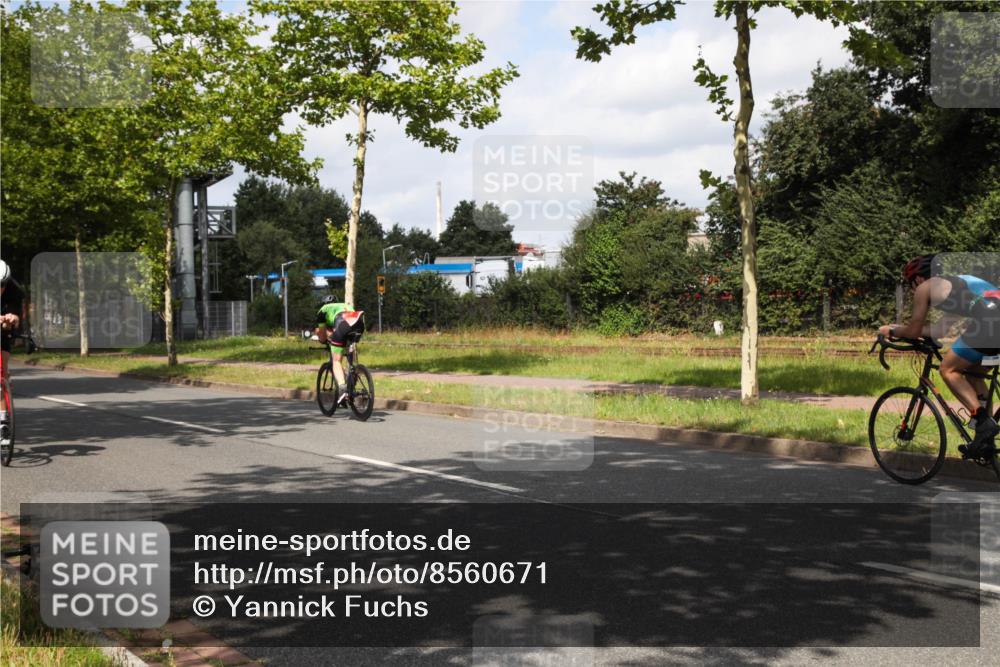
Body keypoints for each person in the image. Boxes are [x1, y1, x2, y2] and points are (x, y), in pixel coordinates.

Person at [878, 254, 1000, 459]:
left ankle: (982, 422)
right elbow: (939, 330)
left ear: (917, 279)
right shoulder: (955, 287)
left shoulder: (924, 288)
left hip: (990, 319)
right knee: (973, 372)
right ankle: (985, 438)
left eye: (911, 285)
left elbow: (914, 329)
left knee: (948, 369)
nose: (913, 289)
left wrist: (892, 330)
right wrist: (908, 330)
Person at [315, 295, 354, 406]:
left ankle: (342, 389)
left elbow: (322, 336)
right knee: (350, 347)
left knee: (336, 361)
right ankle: (353, 373)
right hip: (357, 320)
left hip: (341, 321)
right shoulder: (344, 305)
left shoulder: (322, 311)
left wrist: (323, 340)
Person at [0, 260, 24, 383]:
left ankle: (3, 385)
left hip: (2, 330)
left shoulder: (14, 290)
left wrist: (12, 319)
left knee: (2, 369)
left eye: (1, 285)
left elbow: (17, 318)